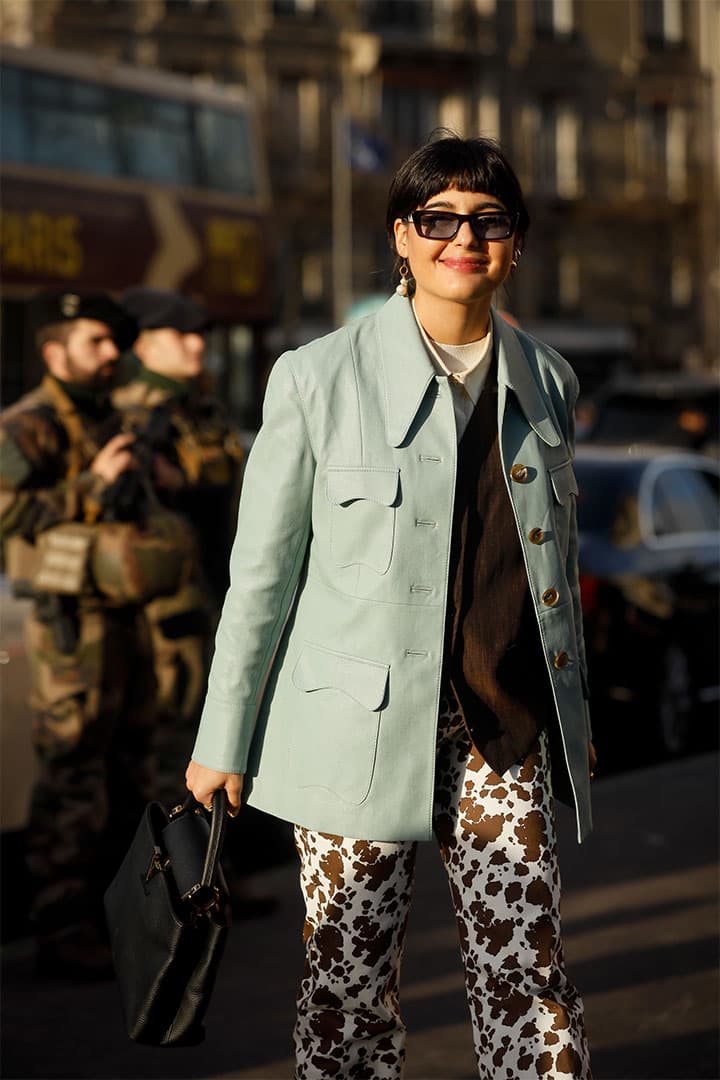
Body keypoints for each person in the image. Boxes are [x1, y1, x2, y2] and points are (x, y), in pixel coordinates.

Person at [186, 134, 596, 1078]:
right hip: (353, 740)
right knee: (346, 981)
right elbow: (262, 578)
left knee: (529, 975)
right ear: (401, 239)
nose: (465, 238)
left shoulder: (549, 382)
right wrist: (223, 740)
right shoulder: (315, 378)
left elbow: (552, 580)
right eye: (439, 219)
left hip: (503, 733)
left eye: (489, 221)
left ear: (517, 243)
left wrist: (574, 722)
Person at [0, 291, 166, 979]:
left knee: (132, 769)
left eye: (113, 343)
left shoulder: (111, 419)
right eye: (96, 342)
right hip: (69, 628)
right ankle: (60, 929)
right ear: (53, 350)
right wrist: (90, 488)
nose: (110, 355)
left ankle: (117, 919)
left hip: (124, 620)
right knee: (72, 773)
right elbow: (6, 515)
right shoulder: (28, 425)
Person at [113, 288, 244, 804]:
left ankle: (214, 872)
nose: (196, 345)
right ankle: (178, 876)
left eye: (201, 335)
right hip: (173, 602)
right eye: (181, 335)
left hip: (216, 584)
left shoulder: (200, 405)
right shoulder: (136, 410)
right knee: (177, 742)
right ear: (143, 345)